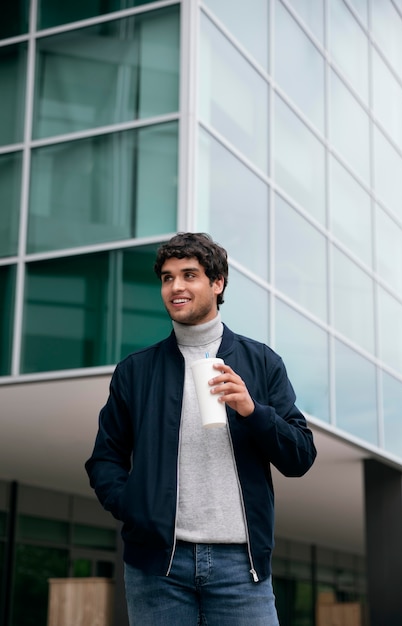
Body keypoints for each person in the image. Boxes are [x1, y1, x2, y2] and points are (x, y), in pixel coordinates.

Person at [85, 232, 317, 626]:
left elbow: (300, 456)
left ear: (217, 283)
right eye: (167, 277)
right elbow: (105, 459)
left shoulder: (260, 362)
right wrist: (134, 508)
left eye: (189, 275)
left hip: (241, 567)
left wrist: (252, 410)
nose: (176, 287)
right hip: (157, 566)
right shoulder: (135, 370)